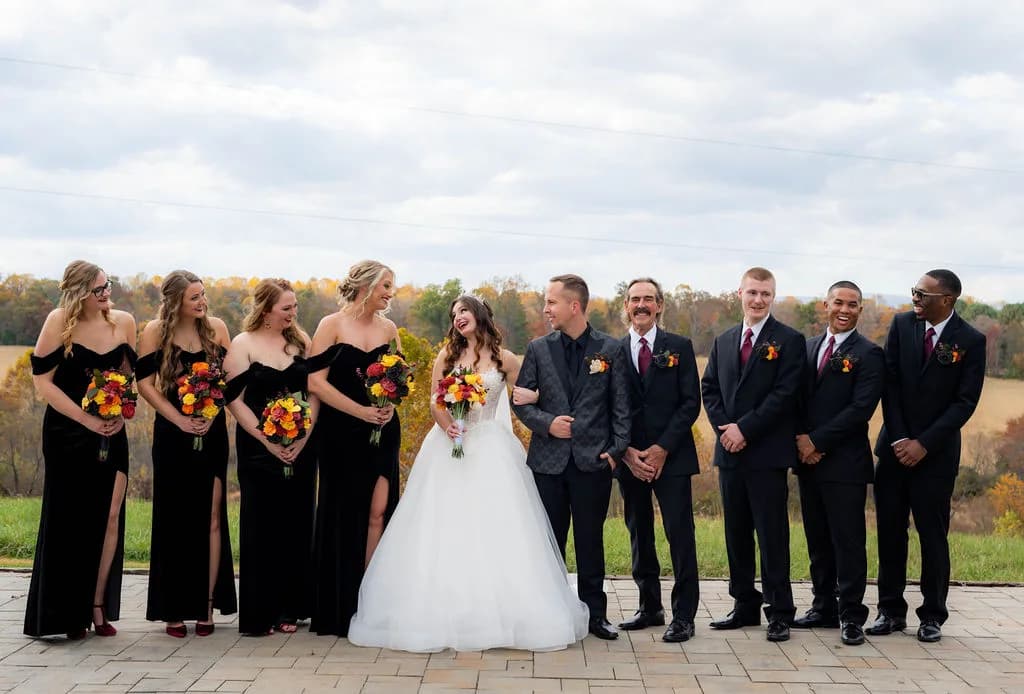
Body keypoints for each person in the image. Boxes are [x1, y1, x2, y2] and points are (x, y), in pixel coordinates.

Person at [347, 295, 589, 651]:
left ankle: (506, 611)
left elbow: (527, 396)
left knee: (496, 526)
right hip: (449, 445)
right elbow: (434, 400)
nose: (458, 317)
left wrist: (540, 406)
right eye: (454, 314)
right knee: (444, 525)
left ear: (479, 314)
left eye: (464, 311)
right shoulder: (447, 355)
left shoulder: (505, 359)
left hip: (492, 447)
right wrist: (449, 427)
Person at [867, 269, 985, 643]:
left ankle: (932, 614)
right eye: (914, 292)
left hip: (935, 456)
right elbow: (891, 384)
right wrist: (901, 438)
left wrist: (924, 444)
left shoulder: (971, 340)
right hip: (894, 449)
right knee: (890, 531)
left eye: (923, 294)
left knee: (933, 535)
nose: (915, 298)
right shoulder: (902, 326)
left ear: (947, 300)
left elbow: (964, 402)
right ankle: (889, 610)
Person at [513, 274, 631, 641]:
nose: (546, 309)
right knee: (549, 542)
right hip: (547, 463)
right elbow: (521, 402)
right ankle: (551, 613)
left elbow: (622, 408)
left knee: (590, 541)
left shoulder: (610, 350)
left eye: (551, 302)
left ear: (574, 305)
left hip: (592, 462)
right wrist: (549, 424)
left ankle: (596, 616)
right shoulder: (537, 349)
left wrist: (615, 452)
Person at [24, 260, 137, 639]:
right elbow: (44, 384)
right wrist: (86, 420)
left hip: (112, 430)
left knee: (109, 516)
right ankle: (62, 614)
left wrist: (121, 411)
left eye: (108, 286)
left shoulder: (124, 322)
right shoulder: (59, 321)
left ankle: (97, 604)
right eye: (99, 290)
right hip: (67, 432)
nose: (108, 294)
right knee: (68, 519)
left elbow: (127, 376)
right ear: (79, 294)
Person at [700, 266, 804, 642]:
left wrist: (746, 429)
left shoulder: (789, 341)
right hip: (730, 453)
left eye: (766, 294)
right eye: (752, 293)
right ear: (739, 294)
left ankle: (779, 611)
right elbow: (709, 388)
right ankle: (743, 604)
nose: (758, 300)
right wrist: (726, 430)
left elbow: (785, 394)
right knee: (737, 533)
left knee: (771, 535)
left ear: (772, 297)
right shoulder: (724, 340)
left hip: (767, 453)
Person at [136, 270, 237, 638]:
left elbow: (229, 380)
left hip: (212, 432)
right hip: (172, 434)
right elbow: (145, 384)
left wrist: (210, 413)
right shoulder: (154, 332)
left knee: (212, 517)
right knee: (175, 520)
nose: (202, 302)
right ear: (176, 301)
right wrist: (179, 419)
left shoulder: (218, 329)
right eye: (194, 297)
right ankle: (174, 608)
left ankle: (208, 604)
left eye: (203, 294)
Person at [307, 260, 401, 637]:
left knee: (379, 511)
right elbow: (315, 383)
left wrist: (390, 404)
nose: (390, 293)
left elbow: (397, 378)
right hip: (341, 433)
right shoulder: (330, 325)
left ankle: (371, 600)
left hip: (382, 431)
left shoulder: (389, 328)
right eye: (386, 286)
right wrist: (361, 411)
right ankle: (339, 605)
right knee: (343, 515)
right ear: (366, 285)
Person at [224, 278, 319, 635]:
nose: (293, 314)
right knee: (261, 526)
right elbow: (233, 398)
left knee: (296, 523)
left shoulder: (301, 341)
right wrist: (266, 438)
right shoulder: (243, 344)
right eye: (286, 308)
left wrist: (304, 435)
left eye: (294, 307)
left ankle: (291, 608)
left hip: (301, 443)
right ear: (266, 311)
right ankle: (261, 611)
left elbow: (315, 392)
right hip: (258, 447)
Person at [791, 281, 884, 646]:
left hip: (844, 463)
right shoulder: (808, 347)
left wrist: (817, 441)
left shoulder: (869, 353)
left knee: (847, 541)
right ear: (825, 305)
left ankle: (851, 615)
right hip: (807, 461)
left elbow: (860, 409)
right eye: (838, 303)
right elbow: (794, 399)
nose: (845, 310)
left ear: (860, 310)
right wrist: (801, 441)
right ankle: (822, 606)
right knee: (817, 540)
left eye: (853, 304)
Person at [615, 277, 702, 643]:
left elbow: (689, 403)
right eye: (635, 299)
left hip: (673, 456)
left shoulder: (679, 347)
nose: (641, 305)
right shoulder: (614, 351)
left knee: (679, 534)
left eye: (648, 299)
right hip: (630, 457)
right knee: (639, 533)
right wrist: (627, 451)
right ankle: (649, 606)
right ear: (626, 306)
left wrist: (663, 447)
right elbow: (609, 406)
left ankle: (684, 615)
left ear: (660, 305)